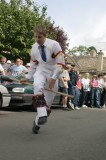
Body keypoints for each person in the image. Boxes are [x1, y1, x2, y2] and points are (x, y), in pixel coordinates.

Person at [21, 25, 65, 134]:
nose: (37, 39)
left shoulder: (54, 45)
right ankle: (41, 114)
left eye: (39, 37)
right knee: (37, 86)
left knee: (48, 105)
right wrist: (28, 77)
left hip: (53, 71)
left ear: (44, 36)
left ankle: (37, 122)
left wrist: (54, 78)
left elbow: (61, 64)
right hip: (41, 70)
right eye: (35, 37)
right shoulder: (34, 47)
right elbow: (33, 64)